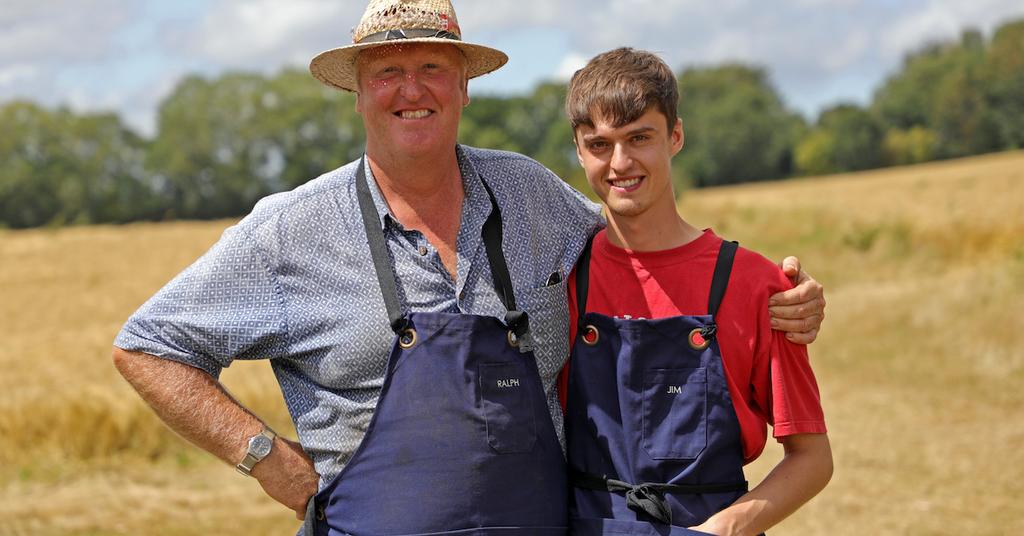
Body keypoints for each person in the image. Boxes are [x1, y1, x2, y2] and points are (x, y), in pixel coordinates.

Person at [111, 1, 826, 534]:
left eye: (432, 68)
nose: (410, 88)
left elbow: (644, 249)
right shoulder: (289, 232)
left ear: (463, 87)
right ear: (356, 93)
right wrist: (269, 459)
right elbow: (147, 346)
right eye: (387, 71)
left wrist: (769, 292)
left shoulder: (531, 193)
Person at [559, 48, 833, 536]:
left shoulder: (754, 283)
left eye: (639, 138)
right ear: (579, 152)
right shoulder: (560, 278)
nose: (620, 163)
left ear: (676, 136)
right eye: (599, 144)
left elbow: (812, 458)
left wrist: (723, 530)